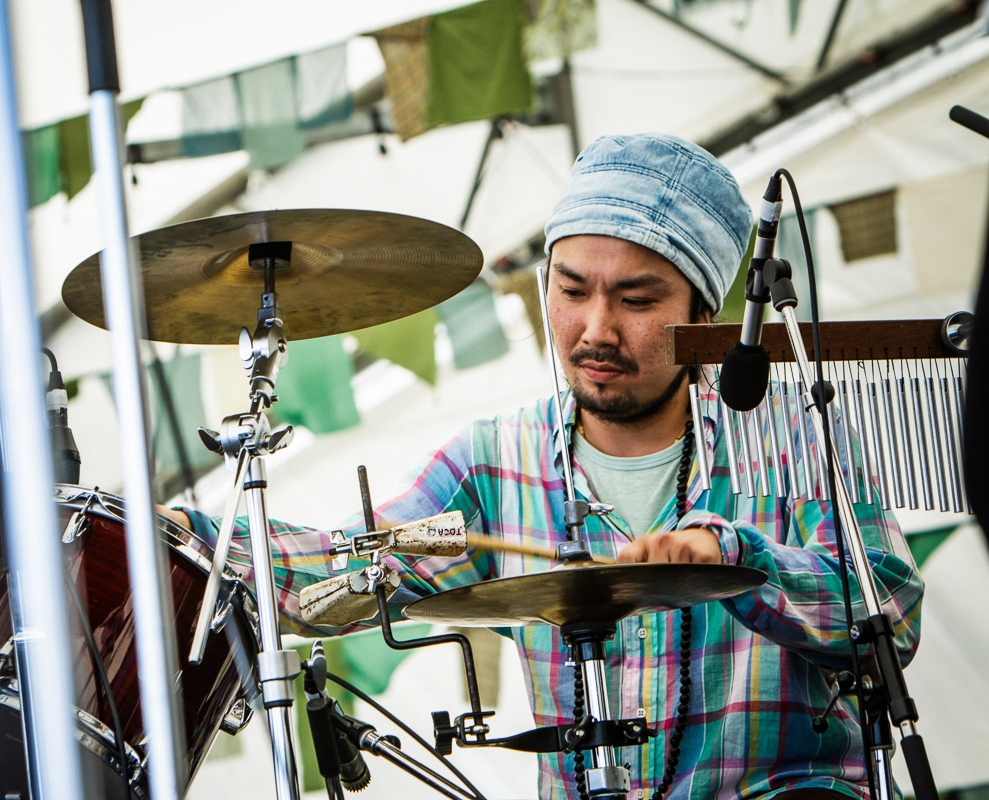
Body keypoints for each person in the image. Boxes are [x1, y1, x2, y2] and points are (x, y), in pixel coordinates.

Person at [166, 132, 923, 800]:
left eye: (636, 300)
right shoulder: (494, 464)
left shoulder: (793, 433)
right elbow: (351, 566)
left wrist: (736, 557)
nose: (596, 330)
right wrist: (180, 541)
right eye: (572, 290)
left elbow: (890, 610)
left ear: (703, 313)